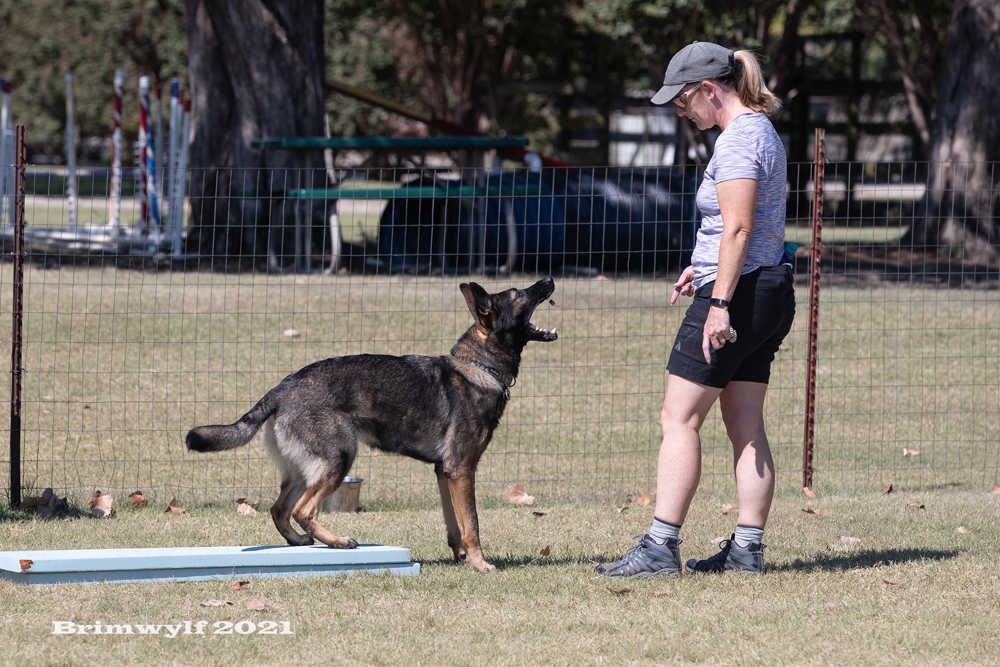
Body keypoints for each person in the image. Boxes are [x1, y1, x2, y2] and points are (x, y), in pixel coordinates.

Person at [596, 41, 795, 577]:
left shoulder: (737, 141)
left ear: (709, 89)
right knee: (745, 422)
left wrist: (719, 301)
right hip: (769, 289)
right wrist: (701, 267)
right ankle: (747, 551)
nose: (681, 112)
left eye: (683, 101)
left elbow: (738, 228)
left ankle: (660, 548)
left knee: (679, 418)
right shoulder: (761, 131)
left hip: (738, 295)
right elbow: (745, 225)